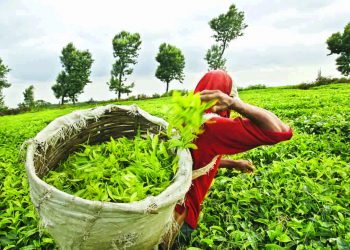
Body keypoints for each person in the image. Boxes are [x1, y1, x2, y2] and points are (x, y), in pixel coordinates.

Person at [168, 70, 293, 249]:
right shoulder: (213, 126)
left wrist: (233, 163)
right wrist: (236, 104)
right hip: (182, 218)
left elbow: (197, 161)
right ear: (221, 96)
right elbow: (280, 130)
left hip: (164, 211)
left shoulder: (182, 121)